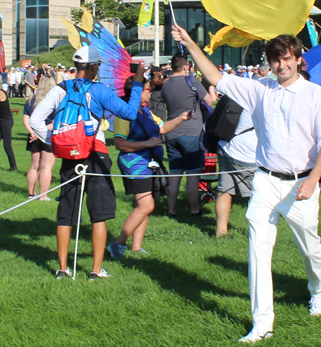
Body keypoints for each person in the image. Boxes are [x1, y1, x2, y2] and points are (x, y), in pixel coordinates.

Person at [171, 24, 321, 343]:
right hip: (265, 181)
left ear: (299, 60)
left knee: (310, 247)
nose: (282, 65)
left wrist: (313, 178)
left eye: (287, 59)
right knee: (258, 251)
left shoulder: (316, 95)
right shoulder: (260, 89)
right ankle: (262, 323)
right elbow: (217, 78)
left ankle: (319, 291)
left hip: (302, 183)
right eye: (276, 60)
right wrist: (191, 44)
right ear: (270, 63)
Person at [29, 46, 145, 280]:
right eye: (98, 66)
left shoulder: (60, 89)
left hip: (69, 156)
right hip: (96, 153)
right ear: (93, 67)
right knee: (98, 214)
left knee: (66, 213)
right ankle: (95, 270)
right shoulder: (100, 90)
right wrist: (139, 82)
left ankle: (62, 269)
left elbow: (35, 120)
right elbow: (131, 113)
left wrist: (56, 141)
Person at [107, 77, 190, 259]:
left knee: (143, 205)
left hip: (149, 163)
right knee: (146, 205)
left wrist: (180, 119)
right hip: (134, 164)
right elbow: (120, 143)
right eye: (147, 88)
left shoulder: (146, 111)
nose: (150, 91)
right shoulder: (124, 113)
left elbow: (162, 128)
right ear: (136, 91)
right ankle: (117, 244)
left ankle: (136, 247)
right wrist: (147, 143)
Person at [161, 52, 216, 218]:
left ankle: (171, 210)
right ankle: (193, 209)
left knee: (175, 173)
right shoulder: (190, 81)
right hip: (191, 131)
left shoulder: (166, 85)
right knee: (193, 174)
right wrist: (211, 87)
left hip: (171, 132)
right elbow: (210, 101)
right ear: (186, 66)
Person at [215, 106, 258, 238]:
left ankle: (220, 232)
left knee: (225, 189)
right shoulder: (260, 100)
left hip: (225, 146)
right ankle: (258, 234)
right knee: (260, 195)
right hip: (246, 154)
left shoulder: (236, 95)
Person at [23, 75, 57, 200]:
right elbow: (54, 123)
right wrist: (40, 132)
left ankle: (31, 194)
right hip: (47, 135)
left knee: (34, 165)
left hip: (33, 135)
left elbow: (26, 119)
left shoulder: (31, 100)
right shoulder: (54, 100)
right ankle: (43, 196)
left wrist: (32, 132)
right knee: (47, 167)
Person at [0, 84, 18, 171]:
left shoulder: (1, 93)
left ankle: (13, 167)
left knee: (7, 146)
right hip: (1, 121)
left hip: (6, 121)